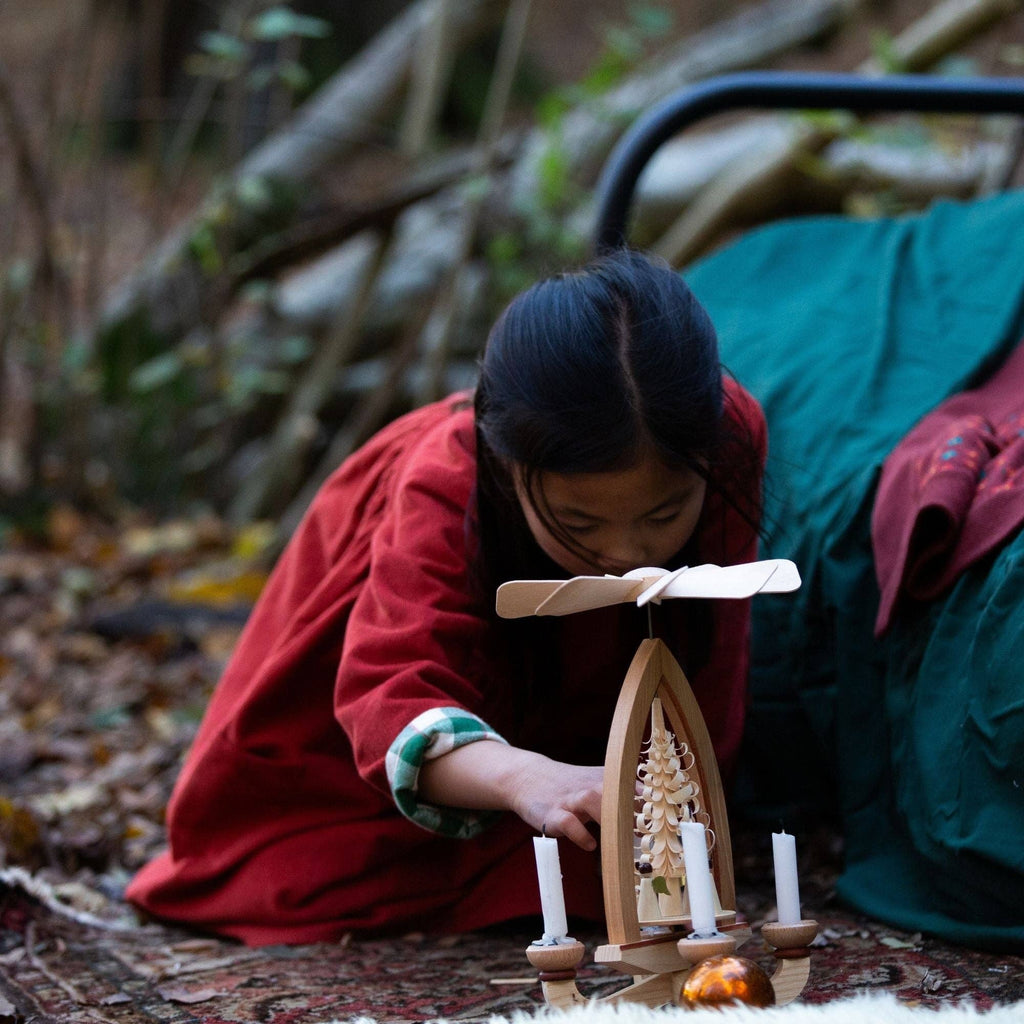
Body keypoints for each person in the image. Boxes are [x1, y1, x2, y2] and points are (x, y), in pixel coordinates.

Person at [126, 249, 767, 945]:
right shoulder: (447, 480)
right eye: (579, 523)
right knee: (309, 875)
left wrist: (678, 808)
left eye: (663, 514)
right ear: (507, 465)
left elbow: (711, 655)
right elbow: (391, 693)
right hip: (380, 767)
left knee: (623, 880)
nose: (628, 554)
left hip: (565, 750)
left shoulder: (726, 437)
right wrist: (526, 778)